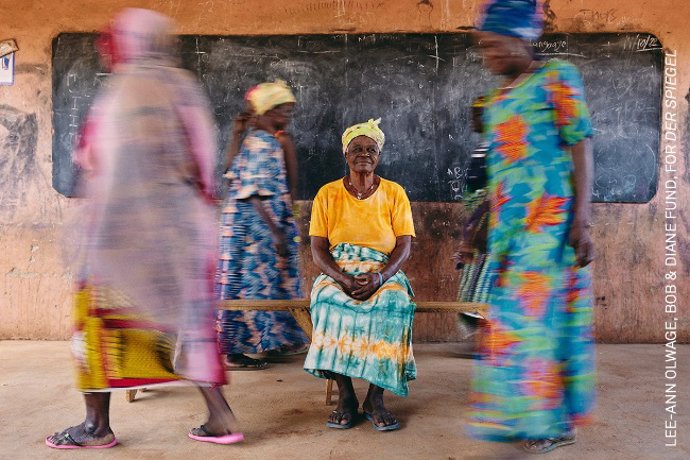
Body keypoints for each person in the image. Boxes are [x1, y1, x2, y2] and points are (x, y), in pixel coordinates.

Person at [46, 9, 242, 449]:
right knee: (190, 321)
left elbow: (98, 161)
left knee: (95, 321)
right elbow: (205, 165)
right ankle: (220, 415)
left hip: (124, 235)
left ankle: (96, 426)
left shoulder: (123, 92)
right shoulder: (182, 86)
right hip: (185, 234)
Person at [467, 0, 596, 454]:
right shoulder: (499, 99)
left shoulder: (558, 78)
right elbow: (503, 172)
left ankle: (545, 422)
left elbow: (580, 148)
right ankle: (535, 418)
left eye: (494, 45)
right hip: (511, 233)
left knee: (530, 324)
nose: (488, 56)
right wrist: (482, 229)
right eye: (483, 48)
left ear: (522, 38)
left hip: (550, 224)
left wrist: (581, 222)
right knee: (520, 323)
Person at [304, 118, 416, 432]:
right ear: (346, 154)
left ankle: (376, 398)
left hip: (382, 270)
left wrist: (381, 278)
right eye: (357, 149)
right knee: (327, 301)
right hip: (339, 269)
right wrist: (341, 278)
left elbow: (404, 245)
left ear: (379, 156)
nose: (364, 154)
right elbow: (318, 249)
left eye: (371, 149)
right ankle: (346, 397)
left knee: (394, 302)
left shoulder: (394, 192)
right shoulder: (327, 194)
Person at [216, 81, 309, 370]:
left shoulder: (258, 138)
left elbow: (230, 171)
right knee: (251, 285)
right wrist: (277, 232)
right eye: (283, 109)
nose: (288, 114)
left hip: (255, 225)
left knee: (266, 283)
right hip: (255, 228)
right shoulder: (264, 142)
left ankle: (270, 342)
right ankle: (233, 351)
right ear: (268, 110)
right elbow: (253, 192)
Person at [454, 96, 491, 358]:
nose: (473, 119)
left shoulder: (499, 149)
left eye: (478, 114)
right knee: (476, 280)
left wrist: (474, 231)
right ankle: (483, 340)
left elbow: (492, 196)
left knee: (488, 283)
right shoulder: (485, 146)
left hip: (489, 228)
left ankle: (490, 341)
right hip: (479, 224)